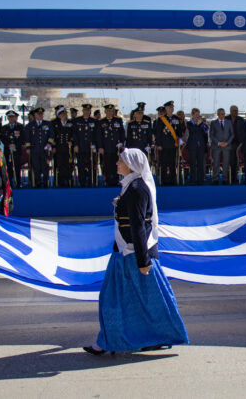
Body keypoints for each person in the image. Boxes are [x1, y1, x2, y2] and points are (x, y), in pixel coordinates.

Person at [82, 148, 188, 355]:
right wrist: (120, 203)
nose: (117, 163)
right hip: (128, 253)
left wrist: (143, 261)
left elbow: (139, 226)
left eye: (120, 160)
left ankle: (109, 342)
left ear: (130, 164)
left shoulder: (137, 188)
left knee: (114, 300)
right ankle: (117, 340)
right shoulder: (131, 187)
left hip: (131, 255)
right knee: (143, 301)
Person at [96, 104, 125, 187]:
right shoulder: (101, 122)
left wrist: (121, 142)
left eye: (111, 111)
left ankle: (116, 179)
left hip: (116, 147)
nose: (109, 112)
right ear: (105, 111)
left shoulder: (118, 120)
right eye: (108, 111)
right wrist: (100, 147)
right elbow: (99, 136)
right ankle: (108, 180)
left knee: (116, 164)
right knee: (107, 164)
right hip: (106, 147)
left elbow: (122, 133)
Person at [24, 107, 54, 188]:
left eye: (41, 114)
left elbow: (51, 135)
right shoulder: (30, 125)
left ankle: (45, 182)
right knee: (36, 167)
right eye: (38, 114)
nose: (40, 115)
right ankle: (37, 183)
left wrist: (49, 143)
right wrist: (28, 148)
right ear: (35, 115)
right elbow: (27, 138)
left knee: (45, 167)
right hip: (35, 149)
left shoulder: (48, 124)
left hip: (45, 150)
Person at [154, 101, 182, 185]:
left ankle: (172, 180)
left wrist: (179, 139)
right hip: (164, 145)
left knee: (172, 163)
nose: (171, 109)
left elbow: (179, 131)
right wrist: (158, 144)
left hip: (173, 145)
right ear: (166, 109)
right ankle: (164, 181)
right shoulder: (161, 119)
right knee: (164, 164)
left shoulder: (176, 119)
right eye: (170, 107)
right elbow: (158, 133)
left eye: (172, 107)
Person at [73, 103, 97, 188]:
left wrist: (94, 145)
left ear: (90, 111)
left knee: (91, 165)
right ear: (82, 111)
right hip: (81, 146)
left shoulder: (94, 121)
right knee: (81, 165)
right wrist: (75, 145)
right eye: (85, 110)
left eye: (88, 111)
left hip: (90, 147)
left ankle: (91, 181)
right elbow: (74, 134)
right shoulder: (77, 121)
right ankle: (82, 182)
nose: (86, 112)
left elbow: (96, 134)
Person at [209, 108, 233, 185]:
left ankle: (225, 179)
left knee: (226, 163)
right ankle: (215, 179)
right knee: (216, 163)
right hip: (216, 146)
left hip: (227, 146)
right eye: (221, 114)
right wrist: (218, 143)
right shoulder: (213, 123)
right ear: (218, 114)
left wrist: (227, 143)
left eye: (223, 113)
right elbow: (211, 135)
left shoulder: (229, 122)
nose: (222, 115)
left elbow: (232, 134)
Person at [1, 110, 24, 188]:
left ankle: (18, 182)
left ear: (15, 118)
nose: (11, 119)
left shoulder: (20, 127)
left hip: (17, 150)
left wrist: (16, 145)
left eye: (12, 117)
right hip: (8, 150)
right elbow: (2, 138)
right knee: (9, 167)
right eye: (9, 117)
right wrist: (8, 145)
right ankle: (9, 183)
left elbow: (22, 139)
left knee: (17, 167)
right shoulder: (4, 128)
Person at [52, 106, 75, 188]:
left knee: (69, 164)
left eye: (65, 114)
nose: (65, 116)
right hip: (59, 147)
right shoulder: (55, 124)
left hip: (68, 148)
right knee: (60, 164)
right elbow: (53, 136)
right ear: (59, 115)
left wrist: (71, 142)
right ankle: (60, 180)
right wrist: (53, 146)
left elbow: (73, 134)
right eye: (63, 114)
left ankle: (69, 179)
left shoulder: (70, 123)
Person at [185, 108, 209, 185]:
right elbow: (193, 131)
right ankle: (193, 179)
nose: (197, 116)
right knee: (193, 163)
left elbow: (206, 130)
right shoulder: (189, 123)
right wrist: (198, 125)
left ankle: (200, 179)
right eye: (195, 115)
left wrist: (202, 124)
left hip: (201, 146)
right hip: (192, 146)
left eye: (198, 115)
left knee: (200, 163)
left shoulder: (202, 123)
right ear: (192, 115)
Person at [227, 105, 245, 184]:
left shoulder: (241, 120)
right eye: (234, 110)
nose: (236, 112)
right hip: (228, 144)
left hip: (238, 144)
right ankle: (229, 178)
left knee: (236, 163)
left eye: (237, 110)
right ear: (230, 111)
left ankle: (235, 178)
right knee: (229, 162)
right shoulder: (226, 119)